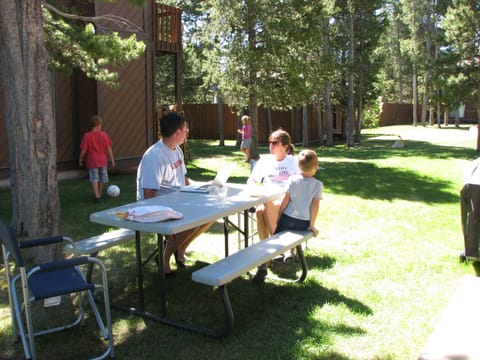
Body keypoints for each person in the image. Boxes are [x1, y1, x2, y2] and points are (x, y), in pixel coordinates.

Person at [136, 112, 211, 276]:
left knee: (210, 214)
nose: (188, 132)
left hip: (179, 200)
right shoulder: (154, 155)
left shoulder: (176, 150)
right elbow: (148, 193)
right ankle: (164, 260)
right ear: (178, 132)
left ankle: (180, 249)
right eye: (186, 129)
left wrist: (203, 187)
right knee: (192, 218)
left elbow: (183, 179)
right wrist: (159, 216)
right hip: (159, 206)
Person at [247, 128, 299, 281]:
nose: (271, 146)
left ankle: (267, 258)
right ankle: (280, 249)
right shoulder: (264, 161)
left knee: (264, 208)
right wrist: (256, 188)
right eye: (269, 142)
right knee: (260, 210)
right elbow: (251, 180)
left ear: (285, 147)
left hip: (288, 201)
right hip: (269, 198)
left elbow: (301, 183)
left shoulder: (293, 162)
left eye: (275, 143)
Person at [274, 149, 322, 261]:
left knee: (278, 234)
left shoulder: (292, 180)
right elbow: (315, 207)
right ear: (316, 166)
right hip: (303, 221)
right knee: (293, 234)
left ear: (298, 165)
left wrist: (279, 215)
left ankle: (279, 253)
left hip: (287, 218)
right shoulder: (318, 185)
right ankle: (289, 251)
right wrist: (312, 224)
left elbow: (285, 201)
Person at [79, 115, 115, 203]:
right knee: (102, 178)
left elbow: (84, 149)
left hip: (92, 160)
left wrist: (80, 158)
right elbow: (108, 148)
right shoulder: (104, 135)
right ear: (99, 125)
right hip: (103, 160)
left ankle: (97, 196)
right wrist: (112, 159)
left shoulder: (87, 136)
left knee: (94, 178)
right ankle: (99, 194)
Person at [460, 156, 480, 275]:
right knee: (473, 217)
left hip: (472, 184)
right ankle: (472, 251)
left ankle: (472, 250)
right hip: (473, 184)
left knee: (473, 218)